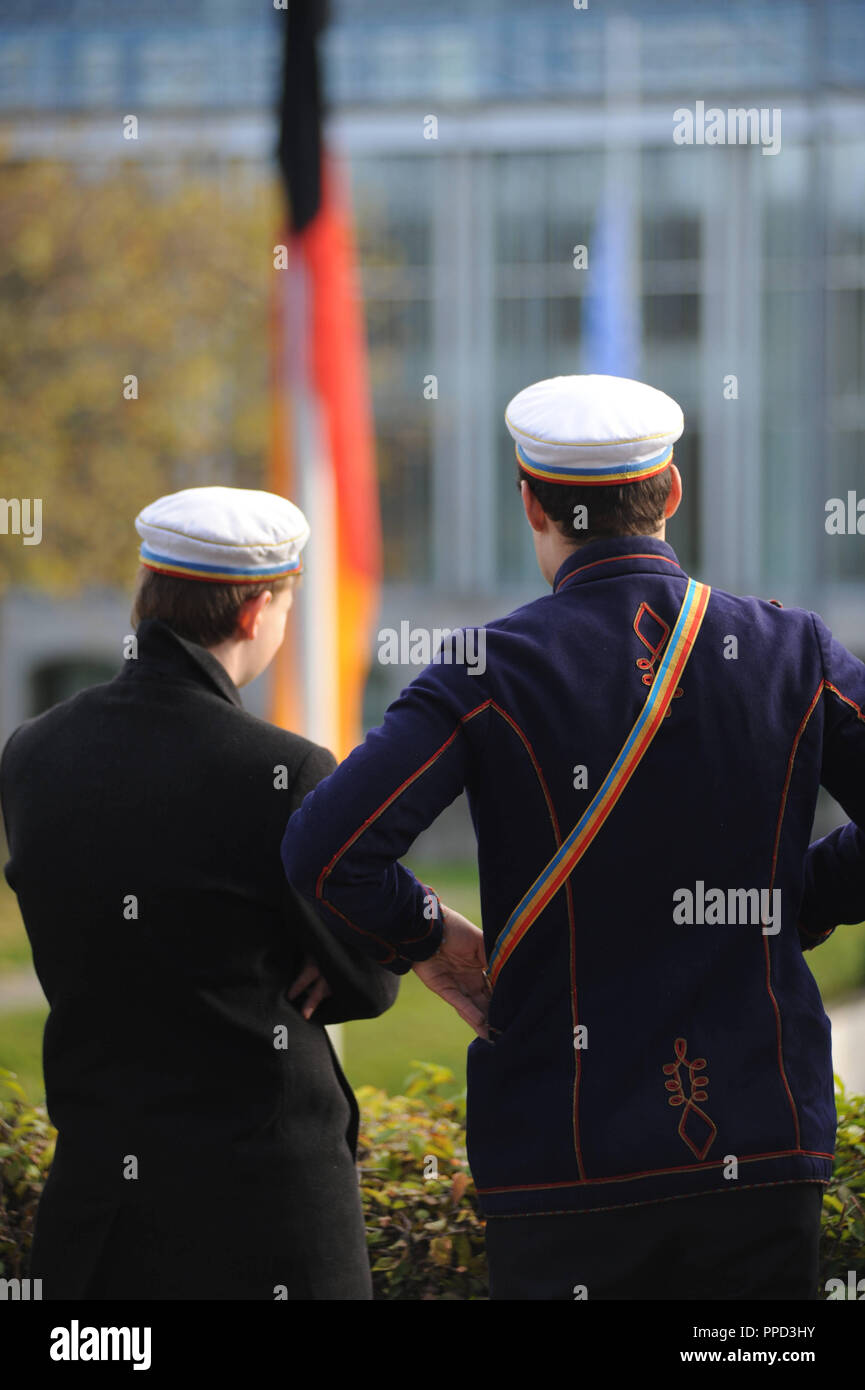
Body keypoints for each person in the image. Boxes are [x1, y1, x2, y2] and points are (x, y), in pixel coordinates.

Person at [281, 374, 865, 1301]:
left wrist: (429, 937)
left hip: (562, 1149)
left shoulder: (483, 670)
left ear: (529, 502)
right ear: (671, 491)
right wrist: (797, 900)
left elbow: (326, 847)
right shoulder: (792, 650)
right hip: (758, 1140)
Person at [0, 485, 398, 1300]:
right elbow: (366, 976)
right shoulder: (282, 771)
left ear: (149, 595)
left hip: (97, 1220)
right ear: (257, 612)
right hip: (268, 1224)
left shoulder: (32, 752)